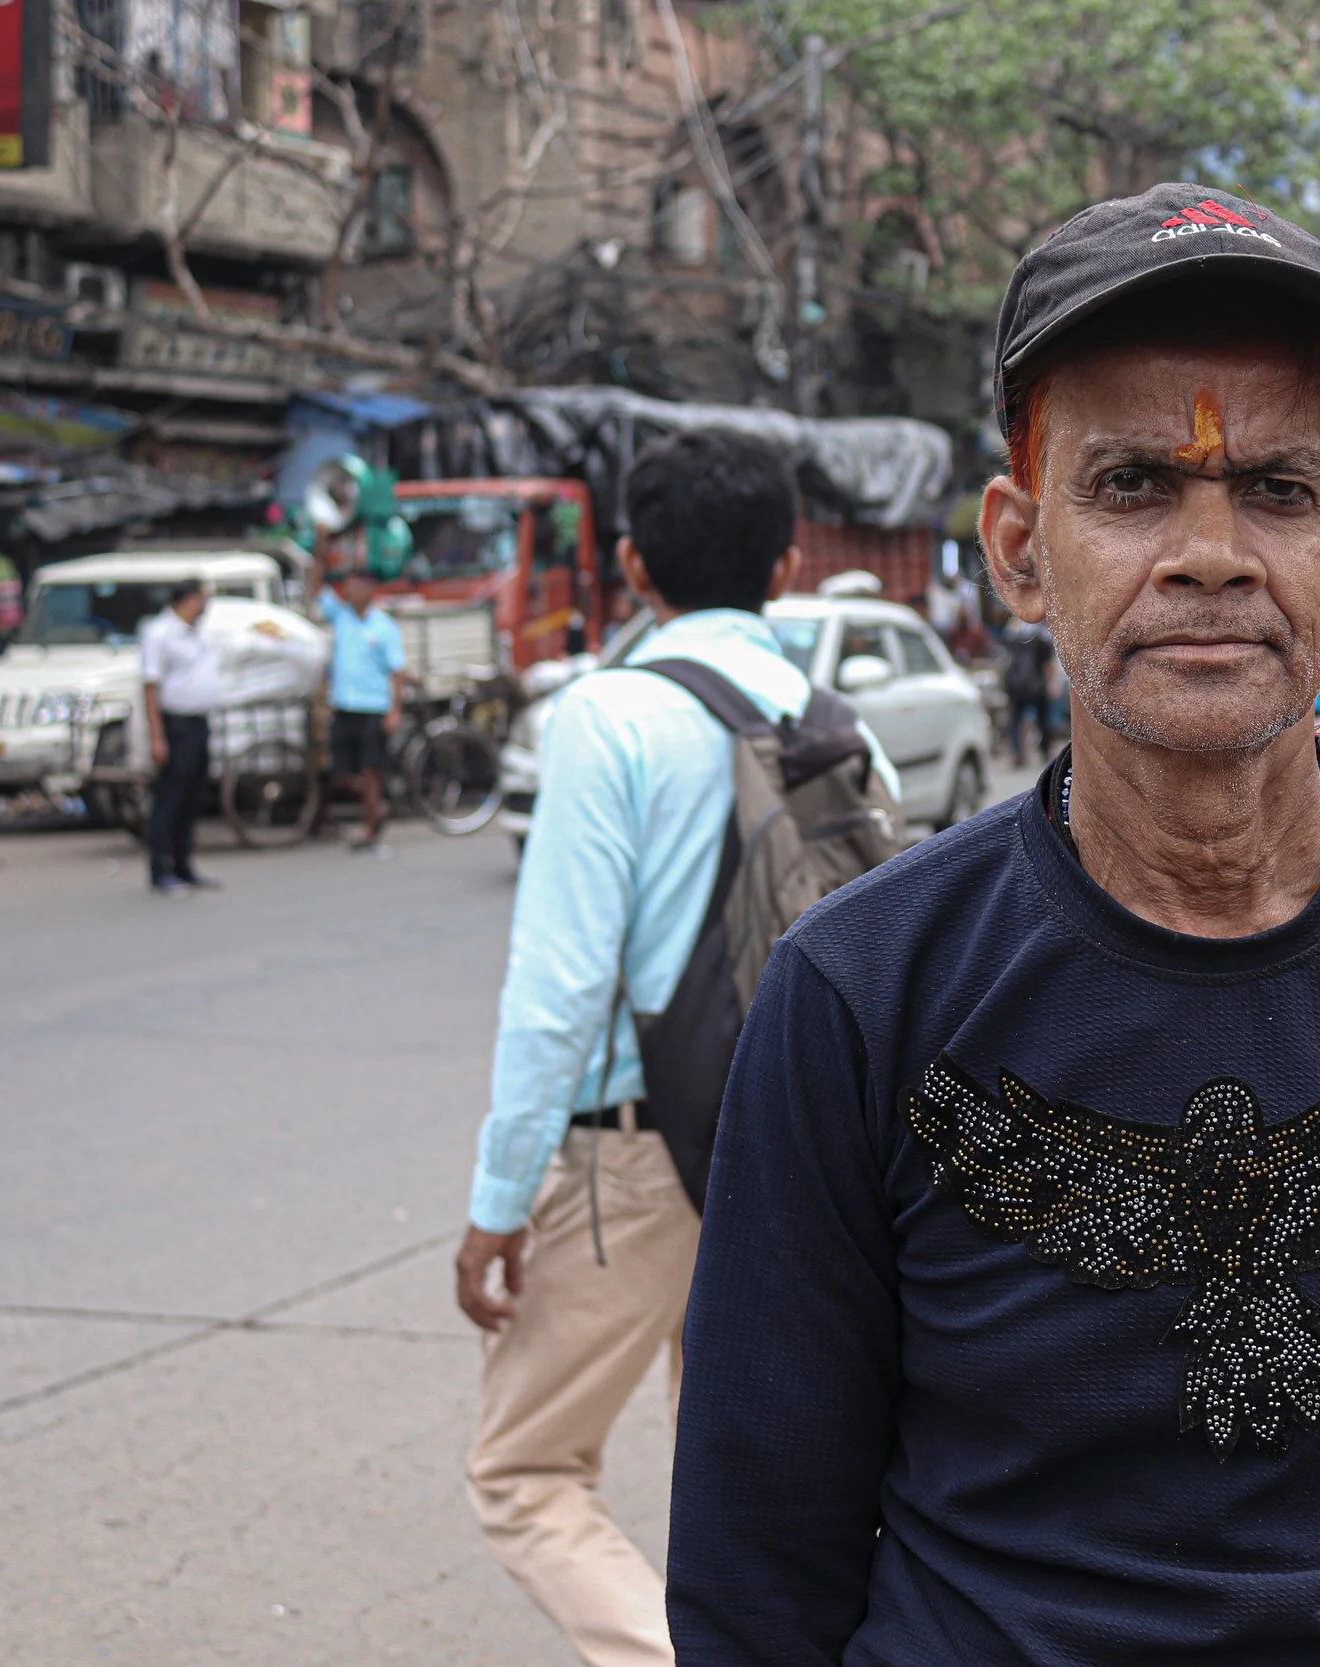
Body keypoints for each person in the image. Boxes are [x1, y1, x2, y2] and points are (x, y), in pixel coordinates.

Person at [668, 182, 1320, 1667]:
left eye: (1277, 489)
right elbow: (755, 1574)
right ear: (1021, 548)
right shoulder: (857, 991)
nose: (1211, 552)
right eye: (1136, 485)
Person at [454, 430, 891, 1667]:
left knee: (526, 1468)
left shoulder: (608, 715)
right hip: (799, 1153)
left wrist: (497, 1200)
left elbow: (560, 985)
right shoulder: (829, 719)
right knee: (740, 1485)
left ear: (632, 564)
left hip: (636, 1156)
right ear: (789, 559)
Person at [317, 567, 408, 854]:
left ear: (370, 589)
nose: (350, 591)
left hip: (373, 707)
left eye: (356, 586)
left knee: (371, 770)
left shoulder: (384, 627)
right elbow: (315, 587)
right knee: (339, 771)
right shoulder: (341, 618)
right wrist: (320, 545)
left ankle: (371, 830)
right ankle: (376, 805)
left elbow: (397, 672)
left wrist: (395, 711)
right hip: (344, 705)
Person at [138, 579, 219, 895]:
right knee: (169, 798)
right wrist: (157, 737)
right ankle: (161, 868)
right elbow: (150, 686)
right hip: (176, 726)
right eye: (202, 598)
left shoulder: (196, 632)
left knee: (192, 798)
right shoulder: (160, 633)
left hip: (199, 723)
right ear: (189, 598)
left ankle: (184, 865)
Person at [998, 614, 1058, 766]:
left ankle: (1018, 753)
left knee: (1015, 720)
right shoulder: (1042, 633)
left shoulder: (1012, 631)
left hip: (1016, 685)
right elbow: (1048, 662)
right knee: (1042, 719)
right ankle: (1044, 751)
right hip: (1037, 684)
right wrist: (1051, 682)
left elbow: (1004, 659)